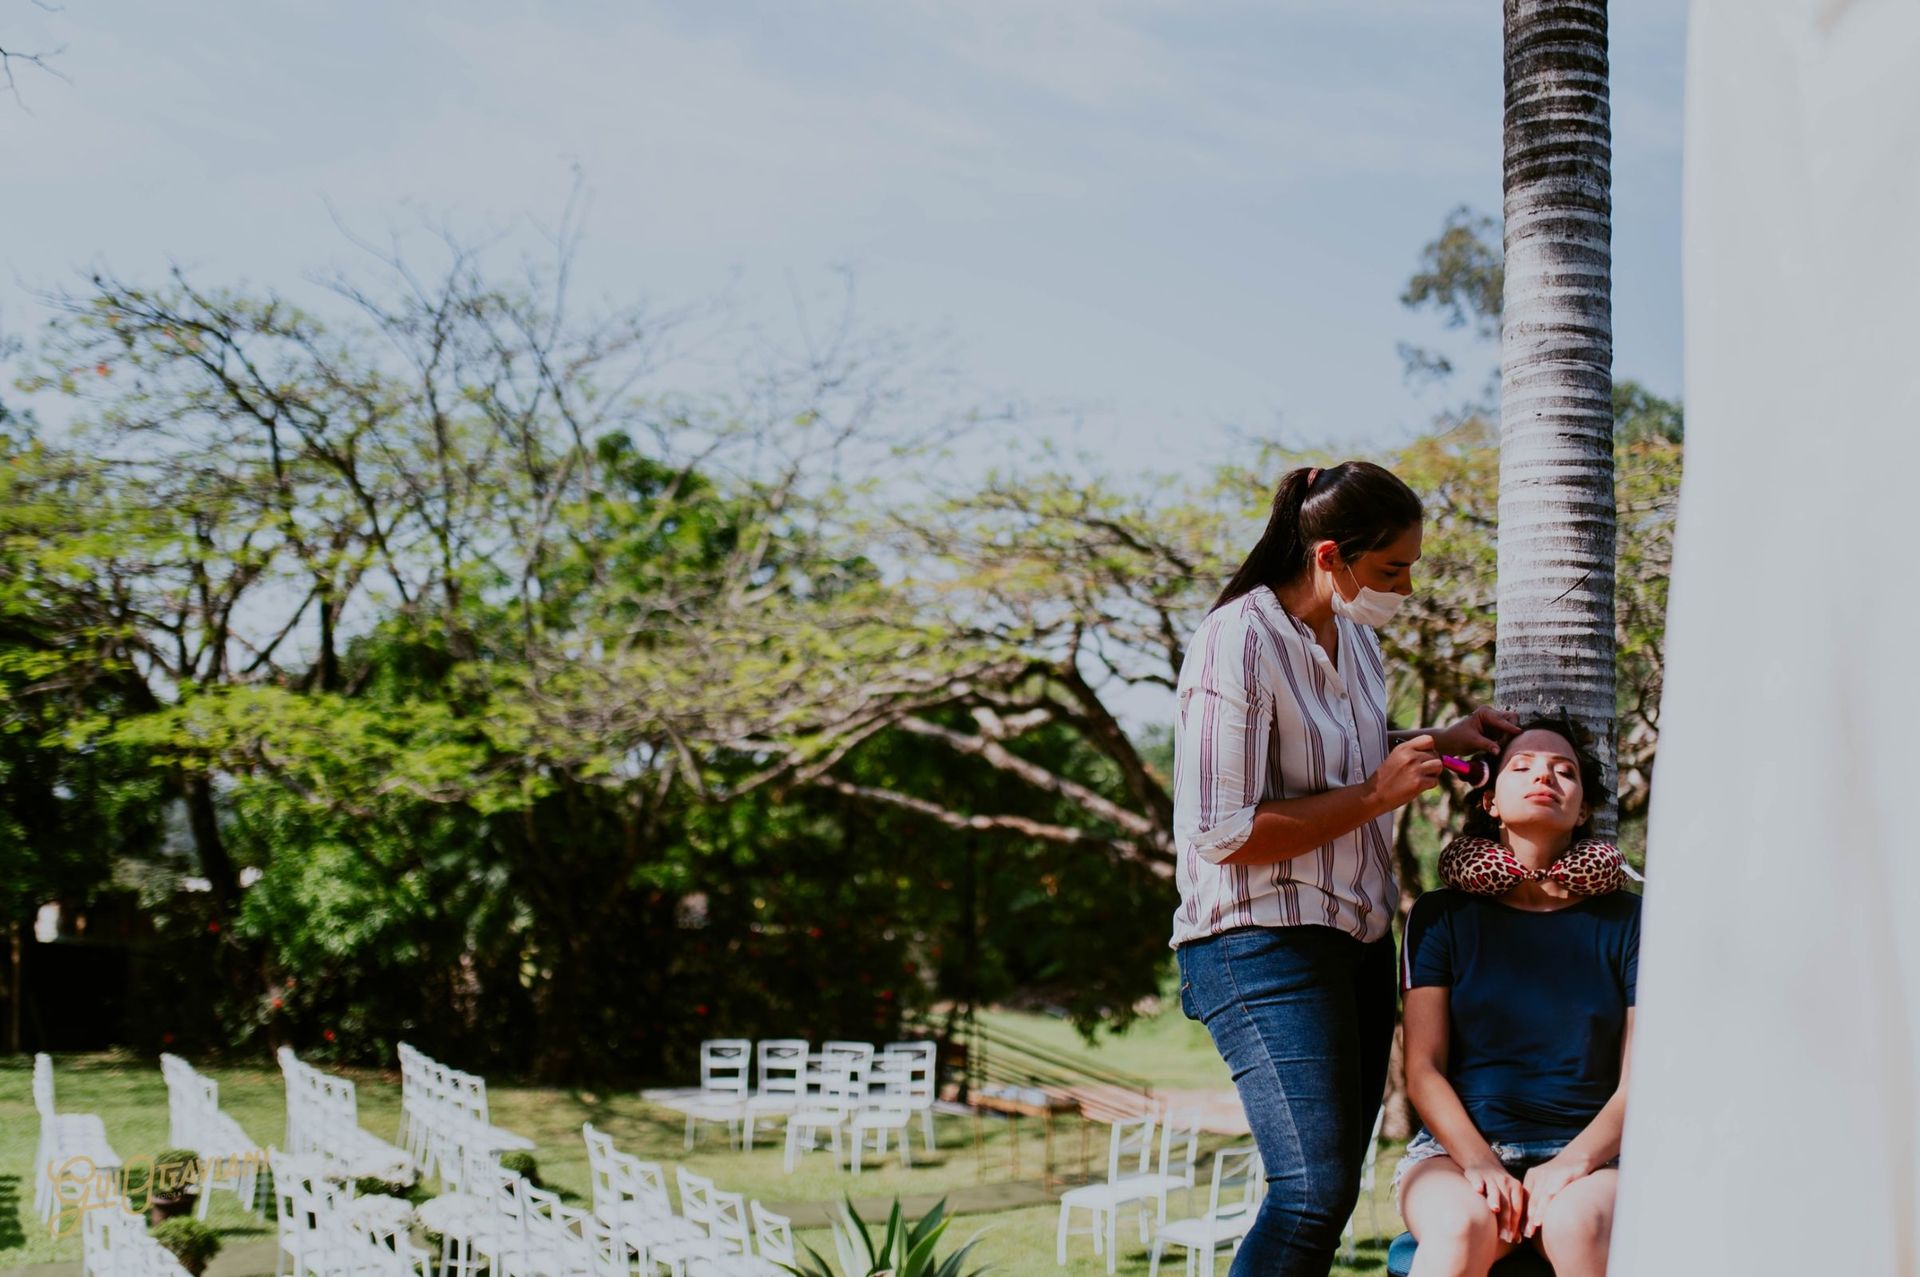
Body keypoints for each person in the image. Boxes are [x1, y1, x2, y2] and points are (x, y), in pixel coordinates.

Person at [1172, 461, 1519, 1277]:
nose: (1405, 584)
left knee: (1327, 1197)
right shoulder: (1239, 638)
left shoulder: (1358, 641)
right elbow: (1222, 830)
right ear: (1330, 555)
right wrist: (1374, 795)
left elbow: (1348, 753)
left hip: (1357, 937)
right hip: (1259, 944)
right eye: (1392, 567)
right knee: (1309, 1193)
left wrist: (1442, 736)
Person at [1395, 716, 1639, 1277]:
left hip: (1595, 1158)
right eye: (1521, 766)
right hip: (1455, 1156)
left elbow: (1640, 1078)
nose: (1544, 777)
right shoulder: (1440, 917)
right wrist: (1480, 1164)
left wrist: (1571, 1164)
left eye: (1565, 771)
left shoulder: (1630, 919)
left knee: (1578, 1226)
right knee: (1459, 1229)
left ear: (1582, 811)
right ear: (1490, 803)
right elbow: (1423, 1070)